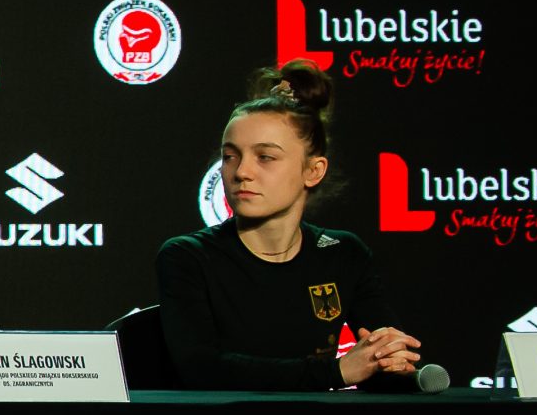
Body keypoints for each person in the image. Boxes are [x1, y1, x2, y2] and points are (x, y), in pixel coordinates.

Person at [156, 59, 420, 390]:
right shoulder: (188, 256)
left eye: (265, 157)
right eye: (230, 156)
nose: (242, 172)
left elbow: (386, 358)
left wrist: (392, 360)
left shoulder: (344, 254)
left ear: (313, 171)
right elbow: (202, 369)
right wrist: (337, 372)